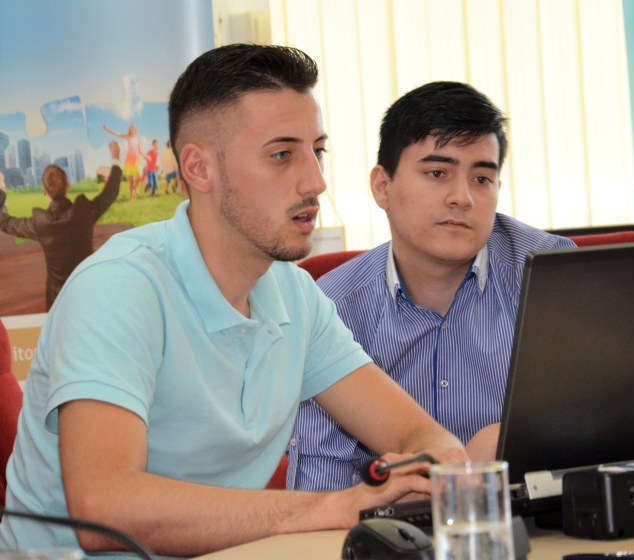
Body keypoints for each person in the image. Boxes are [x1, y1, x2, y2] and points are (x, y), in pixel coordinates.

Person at [0, 45, 467, 558]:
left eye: (317, 150)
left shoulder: (293, 293)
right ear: (199, 168)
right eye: (282, 154)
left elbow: (415, 431)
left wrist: (434, 466)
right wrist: (329, 506)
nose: (316, 181)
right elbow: (103, 510)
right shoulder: (118, 288)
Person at [288, 82, 576, 492]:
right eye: (437, 173)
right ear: (382, 187)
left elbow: (603, 428)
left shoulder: (551, 274)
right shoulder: (332, 308)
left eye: (482, 178)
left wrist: (508, 444)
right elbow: (322, 490)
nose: (462, 197)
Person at [0, 143, 122, 310]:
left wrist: (2, 189)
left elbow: (4, 222)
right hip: (88, 295)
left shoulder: (41, 223)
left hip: (57, 304)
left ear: (45, 191)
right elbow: (112, 191)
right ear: (68, 186)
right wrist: (116, 156)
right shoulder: (84, 211)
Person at [102, 123, 144, 200]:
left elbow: (140, 151)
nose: (133, 129)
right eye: (132, 127)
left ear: (136, 130)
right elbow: (117, 134)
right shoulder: (128, 137)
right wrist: (107, 129)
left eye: (134, 128)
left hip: (136, 159)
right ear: (130, 129)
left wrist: (146, 157)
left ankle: (134, 187)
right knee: (131, 178)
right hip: (130, 159)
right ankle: (131, 196)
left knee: (140, 176)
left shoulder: (137, 139)